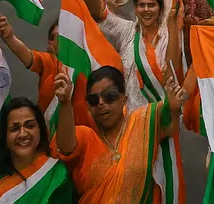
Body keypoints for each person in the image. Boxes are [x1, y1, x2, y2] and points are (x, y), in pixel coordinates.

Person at [55, 66, 188, 203]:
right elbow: (65, 147)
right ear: (88, 107)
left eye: (109, 96)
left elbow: (169, 118)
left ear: (123, 99)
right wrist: (65, 102)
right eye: (94, 100)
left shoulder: (143, 121)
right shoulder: (87, 136)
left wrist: (174, 106)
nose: (101, 103)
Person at [0, 15, 96, 132]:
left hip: (84, 138)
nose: (65, 39)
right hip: (49, 137)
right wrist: (9, 37)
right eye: (59, 36)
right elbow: (27, 55)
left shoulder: (90, 64)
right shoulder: (49, 63)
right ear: (50, 44)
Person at [0, 96, 75, 203]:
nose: (23, 134)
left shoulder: (56, 175)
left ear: (40, 129)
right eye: (14, 129)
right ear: (4, 136)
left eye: (30, 126)